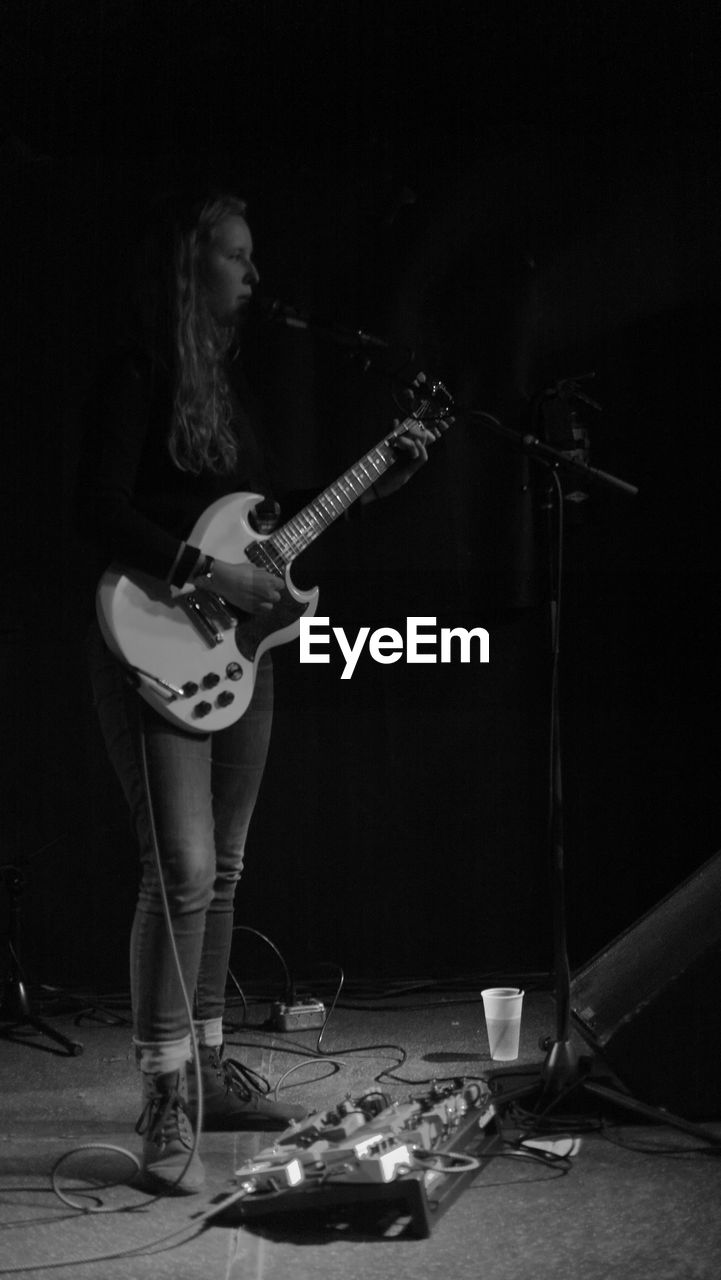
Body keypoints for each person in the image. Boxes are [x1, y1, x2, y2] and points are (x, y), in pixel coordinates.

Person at [76, 190, 440, 1195]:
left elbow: (273, 522)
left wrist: (374, 479)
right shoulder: (139, 372)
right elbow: (97, 506)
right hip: (149, 634)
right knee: (180, 867)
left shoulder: (234, 392)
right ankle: (161, 1091)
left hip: (242, 650)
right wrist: (205, 573)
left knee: (225, 865)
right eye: (236, 258)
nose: (254, 276)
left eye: (252, 258)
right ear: (189, 269)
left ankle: (207, 1063)